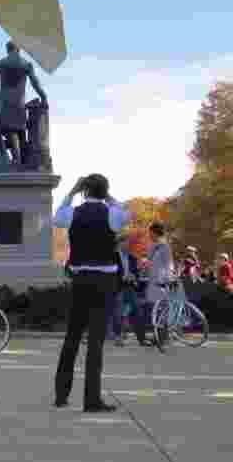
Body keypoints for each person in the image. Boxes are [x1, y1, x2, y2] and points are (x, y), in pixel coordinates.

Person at [52, 174, 131, 412]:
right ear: (105, 191)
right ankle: (92, 399)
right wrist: (107, 196)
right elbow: (125, 213)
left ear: (84, 190)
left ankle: (61, 394)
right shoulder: (112, 214)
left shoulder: (73, 213)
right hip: (104, 280)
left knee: (72, 337)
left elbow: (58, 217)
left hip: (80, 279)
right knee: (95, 341)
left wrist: (72, 192)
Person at [0, 41, 48, 165]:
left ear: (7, 49)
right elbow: (36, 83)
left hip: (4, 101)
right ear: (18, 49)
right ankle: (20, 160)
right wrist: (43, 97)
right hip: (19, 102)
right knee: (19, 131)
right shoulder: (26, 64)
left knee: (8, 131)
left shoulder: (1, 63)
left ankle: (16, 159)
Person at [140, 222, 175, 346]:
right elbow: (148, 262)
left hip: (161, 283)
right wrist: (144, 265)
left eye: (150, 232)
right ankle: (158, 336)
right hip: (153, 282)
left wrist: (168, 278)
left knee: (161, 310)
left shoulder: (164, 246)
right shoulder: (153, 246)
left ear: (155, 232)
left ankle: (162, 337)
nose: (149, 234)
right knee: (155, 310)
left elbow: (169, 264)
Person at [109, 234, 140, 346]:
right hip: (118, 288)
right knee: (118, 312)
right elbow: (110, 273)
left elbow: (137, 274)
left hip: (130, 287)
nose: (127, 244)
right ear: (119, 243)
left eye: (128, 242)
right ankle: (118, 337)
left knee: (137, 309)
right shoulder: (112, 256)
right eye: (125, 242)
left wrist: (134, 277)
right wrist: (121, 277)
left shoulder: (133, 258)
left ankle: (141, 337)